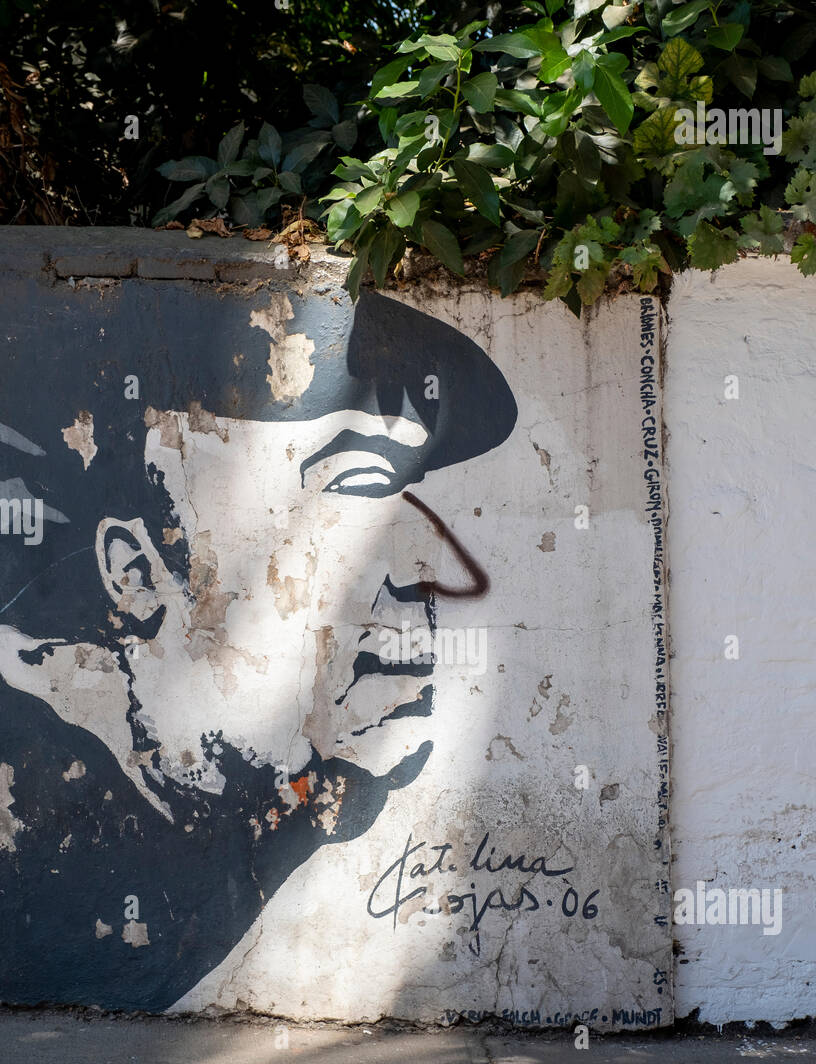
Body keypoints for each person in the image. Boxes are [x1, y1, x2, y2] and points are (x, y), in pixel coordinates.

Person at [0, 284, 517, 1009]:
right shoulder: (30, 820)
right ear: (136, 572)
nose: (429, 573)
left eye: (405, 494)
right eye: (360, 487)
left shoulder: (211, 821)